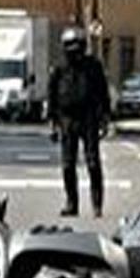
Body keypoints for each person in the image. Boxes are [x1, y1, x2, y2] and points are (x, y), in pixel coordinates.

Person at [48, 27, 111, 218]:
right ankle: (71, 203)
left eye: (77, 46)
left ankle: (97, 204)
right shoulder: (59, 69)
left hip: (89, 117)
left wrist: (105, 118)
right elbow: (52, 96)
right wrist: (53, 123)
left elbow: (103, 92)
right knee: (68, 165)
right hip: (67, 119)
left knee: (92, 162)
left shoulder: (93, 66)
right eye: (70, 47)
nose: (74, 51)